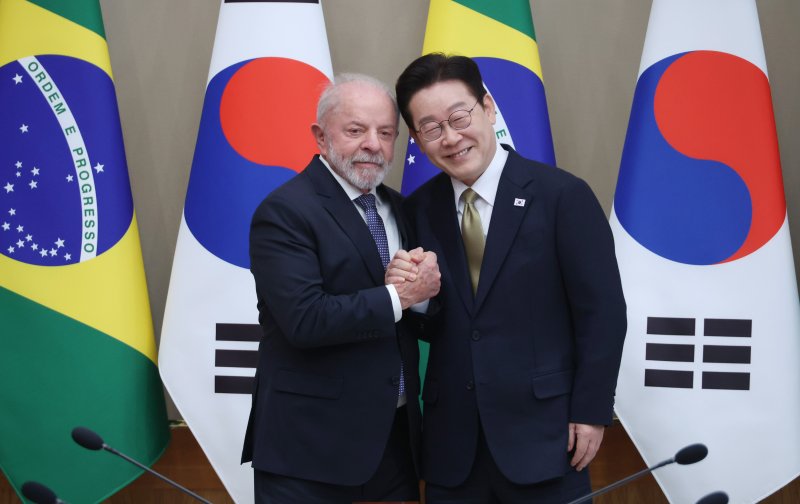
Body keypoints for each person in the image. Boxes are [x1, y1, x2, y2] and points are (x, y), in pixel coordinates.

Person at [389, 54, 627, 503]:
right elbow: (428, 324)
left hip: (547, 437)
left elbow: (603, 314)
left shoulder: (562, 196)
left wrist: (592, 409)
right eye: (431, 128)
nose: (451, 137)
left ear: (488, 107)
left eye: (459, 117)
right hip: (452, 447)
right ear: (417, 139)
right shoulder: (416, 210)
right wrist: (413, 297)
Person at [241, 73, 441, 504]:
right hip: (310, 450)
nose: (373, 144)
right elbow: (305, 320)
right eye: (355, 130)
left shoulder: (401, 208)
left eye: (385, 133)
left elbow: (414, 318)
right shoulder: (285, 212)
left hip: (395, 445)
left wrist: (422, 297)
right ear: (320, 136)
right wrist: (401, 296)